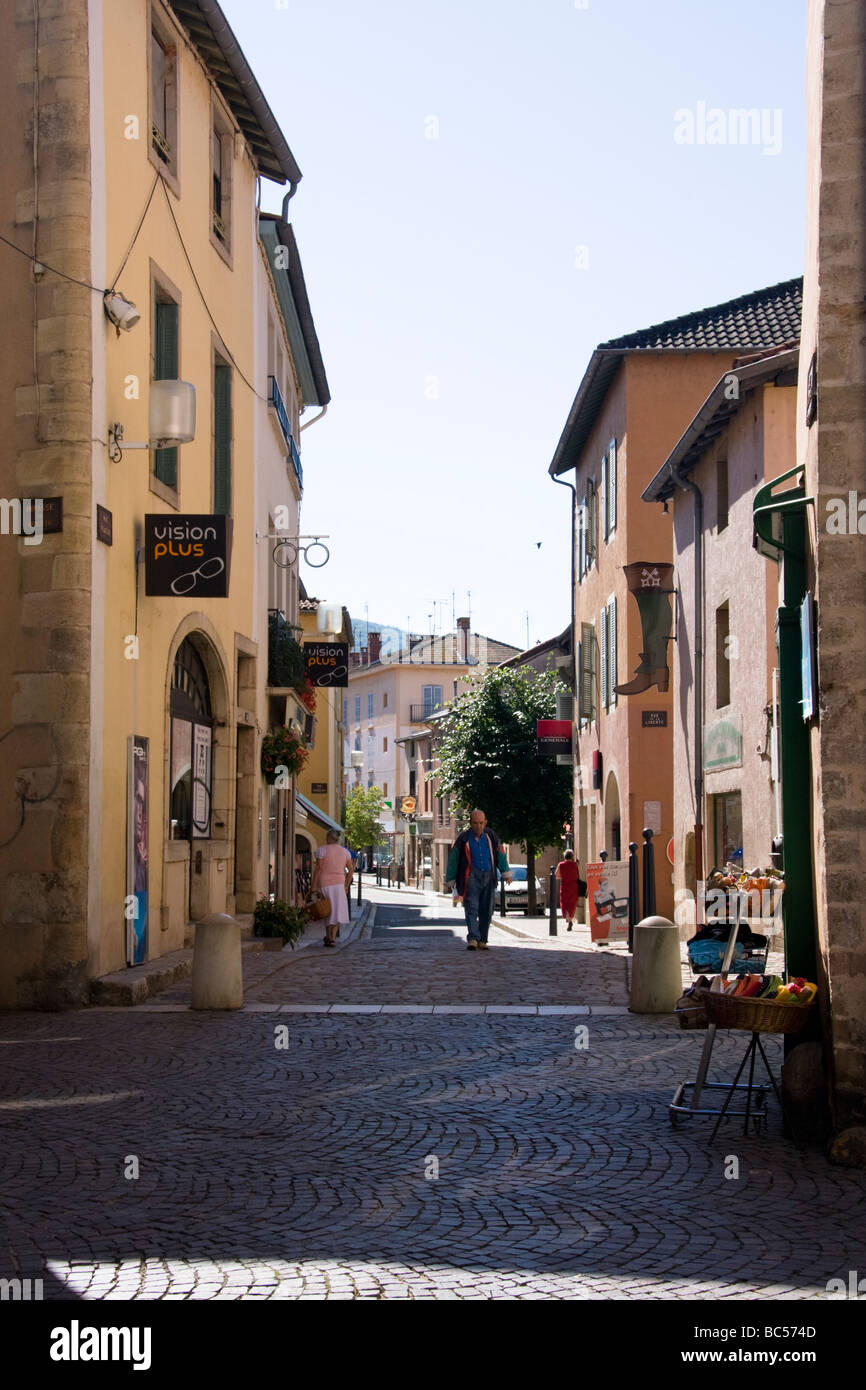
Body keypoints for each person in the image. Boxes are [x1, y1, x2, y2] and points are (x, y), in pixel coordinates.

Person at [446, 809, 511, 951]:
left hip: (489, 876)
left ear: (485, 822)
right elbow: (454, 859)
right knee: (471, 908)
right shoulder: (463, 839)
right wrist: (450, 879)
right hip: (470, 877)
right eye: (475, 823)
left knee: (487, 910)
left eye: (481, 823)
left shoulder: (491, 837)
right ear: (470, 823)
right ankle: (473, 938)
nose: (478, 826)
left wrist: (506, 872)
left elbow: (500, 854)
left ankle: (483, 939)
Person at [311, 830, 353, 948]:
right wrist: (346, 885)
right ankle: (332, 937)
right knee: (337, 911)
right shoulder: (345, 852)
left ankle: (328, 936)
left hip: (325, 883)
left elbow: (318, 869)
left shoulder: (322, 850)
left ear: (329, 838)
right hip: (339, 883)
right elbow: (350, 870)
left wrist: (313, 885)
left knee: (327, 909)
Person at [555, 849, 582, 930]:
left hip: (564, 886)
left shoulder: (561, 864)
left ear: (564, 856)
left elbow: (556, 875)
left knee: (564, 903)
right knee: (572, 904)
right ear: (572, 856)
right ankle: (570, 919)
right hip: (573, 887)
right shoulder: (574, 865)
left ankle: (568, 919)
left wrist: (563, 876)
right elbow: (577, 876)